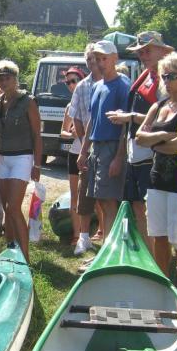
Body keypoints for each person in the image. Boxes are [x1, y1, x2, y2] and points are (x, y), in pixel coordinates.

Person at [135, 53, 177, 296]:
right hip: (156, 179)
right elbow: (139, 138)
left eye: (172, 76)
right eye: (164, 76)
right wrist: (163, 136)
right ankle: (162, 285)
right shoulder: (158, 106)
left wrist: (154, 141)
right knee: (159, 235)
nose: (167, 80)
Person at [107, 31, 173, 249]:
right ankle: (148, 257)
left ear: (162, 51)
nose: (143, 56)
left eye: (147, 51)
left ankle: (158, 259)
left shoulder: (168, 81)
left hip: (154, 154)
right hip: (136, 152)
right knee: (138, 208)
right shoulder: (145, 75)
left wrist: (131, 117)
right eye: (140, 52)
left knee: (153, 211)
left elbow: (168, 120)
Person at [0, 60, 41, 263]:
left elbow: (37, 134)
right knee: (8, 209)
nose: (3, 82)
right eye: (0, 78)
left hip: (22, 157)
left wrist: (37, 164)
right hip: (2, 158)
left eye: (7, 78)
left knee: (14, 208)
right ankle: (10, 254)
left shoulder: (28, 101)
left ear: (15, 79)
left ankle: (25, 259)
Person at [78, 40, 131, 242]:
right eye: (97, 59)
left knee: (109, 201)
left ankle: (111, 249)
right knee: (100, 200)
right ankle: (109, 246)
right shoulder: (96, 86)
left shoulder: (123, 85)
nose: (100, 63)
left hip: (112, 146)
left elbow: (126, 125)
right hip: (96, 148)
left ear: (115, 58)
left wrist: (119, 157)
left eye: (104, 59)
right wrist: (84, 151)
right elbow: (92, 120)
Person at [69, 45, 103, 259]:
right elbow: (77, 118)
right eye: (89, 59)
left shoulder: (114, 82)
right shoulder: (81, 86)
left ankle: (107, 235)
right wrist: (85, 146)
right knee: (84, 193)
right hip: (87, 149)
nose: (93, 62)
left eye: (96, 58)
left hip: (108, 148)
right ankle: (83, 236)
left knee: (106, 197)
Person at [59, 68, 86, 245]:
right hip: (74, 153)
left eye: (73, 81)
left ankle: (98, 231)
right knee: (75, 195)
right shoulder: (70, 106)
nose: (70, 85)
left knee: (93, 196)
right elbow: (63, 132)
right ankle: (77, 234)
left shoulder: (90, 101)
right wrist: (72, 134)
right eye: (67, 82)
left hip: (89, 152)